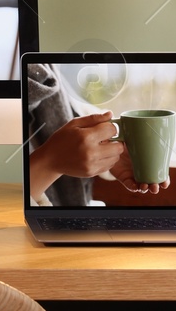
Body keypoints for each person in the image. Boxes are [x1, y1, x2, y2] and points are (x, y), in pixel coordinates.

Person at [25, 63, 167, 205]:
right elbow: (5, 207)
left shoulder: (44, 67)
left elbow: (69, 108)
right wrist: (48, 162)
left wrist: (107, 143)